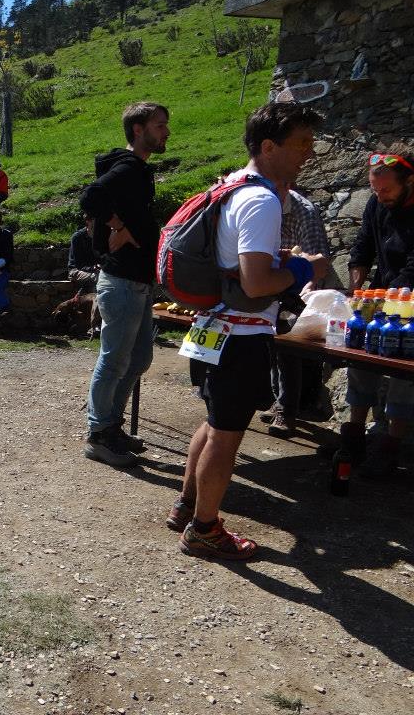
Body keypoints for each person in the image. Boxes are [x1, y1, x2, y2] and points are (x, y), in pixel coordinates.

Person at [168, 102, 327, 560]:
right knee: (227, 432)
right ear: (269, 146)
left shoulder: (230, 187)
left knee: (214, 419)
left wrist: (277, 257)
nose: (309, 154)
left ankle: (187, 506)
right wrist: (302, 268)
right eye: (301, 144)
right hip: (241, 335)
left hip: (212, 328)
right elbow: (257, 283)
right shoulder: (262, 200)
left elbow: (234, 260)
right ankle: (204, 530)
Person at [79, 102, 170, 467]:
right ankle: (99, 434)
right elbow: (90, 197)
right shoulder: (129, 167)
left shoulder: (138, 170)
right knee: (114, 360)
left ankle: (111, 426)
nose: (166, 132)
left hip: (139, 282)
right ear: (138, 129)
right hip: (121, 282)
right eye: (160, 125)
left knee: (140, 358)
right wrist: (116, 225)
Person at [341, 145, 414, 478]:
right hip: (381, 292)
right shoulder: (377, 203)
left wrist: (385, 298)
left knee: (402, 370)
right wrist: (357, 286)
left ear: (409, 181)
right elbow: (364, 243)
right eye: (375, 189)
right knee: (359, 356)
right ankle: (354, 433)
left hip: (408, 302)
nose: (380, 195)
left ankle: (391, 444)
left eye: (386, 189)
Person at [262, 187, 331, 436]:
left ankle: (287, 410)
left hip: (296, 287)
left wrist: (305, 284)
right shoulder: (260, 205)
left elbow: (318, 258)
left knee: (287, 347)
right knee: (271, 346)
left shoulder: (303, 212)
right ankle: (278, 399)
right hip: (268, 283)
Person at [67, 212, 102, 336]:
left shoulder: (101, 236)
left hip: (96, 270)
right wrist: (93, 267)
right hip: (76, 270)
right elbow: (78, 263)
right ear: (88, 221)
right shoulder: (78, 237)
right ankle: (95, 324)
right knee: (98, 279)